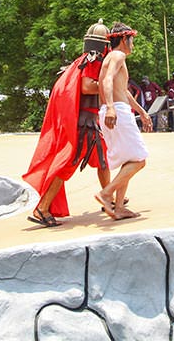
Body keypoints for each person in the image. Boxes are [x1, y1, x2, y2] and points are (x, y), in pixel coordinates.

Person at [22, 20, 113, 227]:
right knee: (67, 165)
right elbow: (87, 86)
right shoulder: (93, 61)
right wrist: (109, 85)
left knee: (103, 160)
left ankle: (109, 196)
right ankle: (42, 208)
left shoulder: (84, 60)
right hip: (84, 124)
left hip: (90, 121)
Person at [96, 22, 152, 220]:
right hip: (116, 112)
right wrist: (111, 107)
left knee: (128, 160)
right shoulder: (117, 55)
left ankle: (119, 208)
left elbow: (124, 91)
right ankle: (106, 193)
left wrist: (142, 111)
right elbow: (107, 80)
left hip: (113, 111)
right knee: (139, 160)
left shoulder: (113, 57)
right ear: (124, 39)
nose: (133, 44)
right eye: (132, 40)